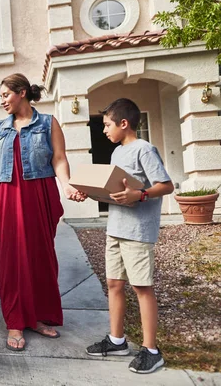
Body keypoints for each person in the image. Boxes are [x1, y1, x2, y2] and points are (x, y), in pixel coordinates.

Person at [0, 73, 86, 352]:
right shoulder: (0, 127)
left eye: (5, 95)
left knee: (40, 257)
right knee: (9, 259)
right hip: (4, 195)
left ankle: (37, 317)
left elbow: (59, 159)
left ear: (22, 92)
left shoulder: (47, 123)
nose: (2, 101)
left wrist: (67, 185)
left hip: (37, 194)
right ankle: (15, 321)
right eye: (0, 96)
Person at [85, 98, 173, 374]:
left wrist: (141, 194)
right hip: (116, 229)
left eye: (107, 125)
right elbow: (115, 191)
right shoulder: (116, 154)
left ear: (124, 124)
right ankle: (117, 340)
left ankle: (151, 351)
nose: (104, 130)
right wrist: (87, 191)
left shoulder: (144, 149)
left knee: (141, 287)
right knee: (114, 284)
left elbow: (166, 185)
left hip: (138, 231)